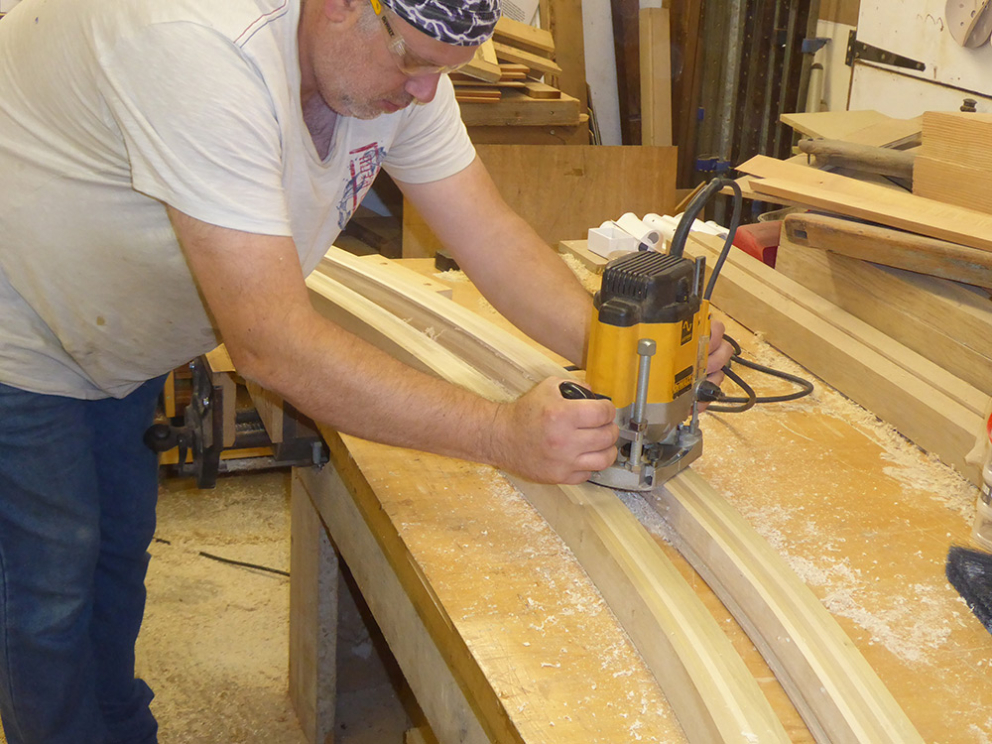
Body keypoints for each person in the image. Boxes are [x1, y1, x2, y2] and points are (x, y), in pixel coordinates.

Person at [0, 0, 732, 740]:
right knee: (47, 591)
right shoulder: (197, 45)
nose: (423, 92)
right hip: (17, 319)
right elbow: (271, 345)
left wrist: (632, 345)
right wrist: (501, 434)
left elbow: (489, 236)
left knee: (114, 559)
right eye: (412, 61)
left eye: (441, 71)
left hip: (104, 326)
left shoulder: (402, 56)